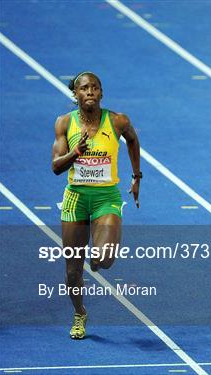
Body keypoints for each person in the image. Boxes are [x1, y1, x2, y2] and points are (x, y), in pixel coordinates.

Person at [51, 72, 141, 339]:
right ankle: (79, 313)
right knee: (72, 271)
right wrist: (75, 152)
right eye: (84, 88)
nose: (89, 92)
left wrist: (137, 177)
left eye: (95, 88)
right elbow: (56, 167)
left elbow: (133, 141)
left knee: (105, 259)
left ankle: (98, 259)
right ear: (75, 94)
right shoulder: (64, 123)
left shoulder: (117, 121)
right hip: (76, 199)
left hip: (106, 198)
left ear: (101, 93)